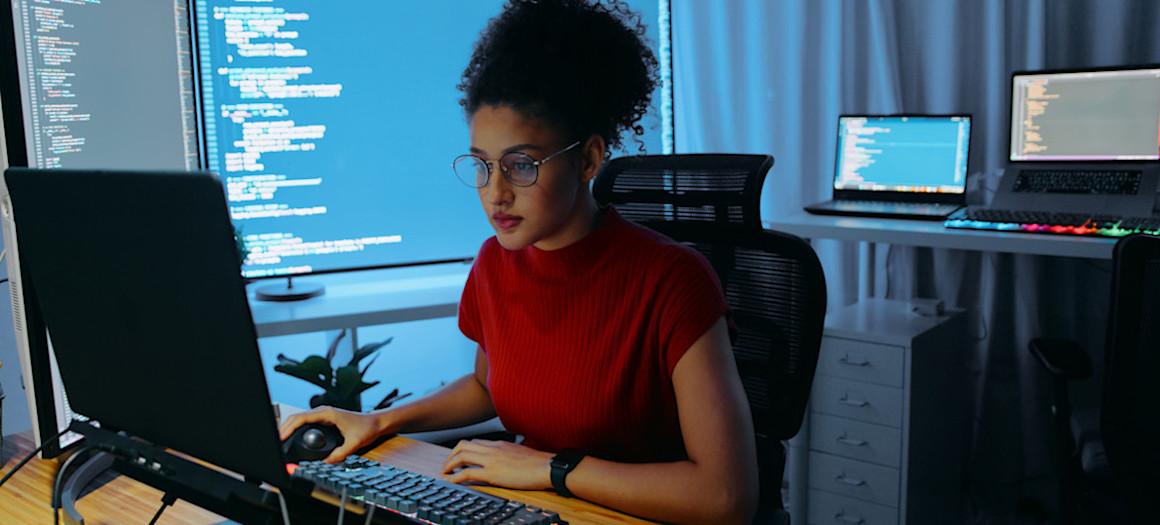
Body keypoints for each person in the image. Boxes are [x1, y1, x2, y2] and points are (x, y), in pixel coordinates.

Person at [279, 1, 758, 522]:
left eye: (521, 165)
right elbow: (490, 386)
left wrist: (551, 469)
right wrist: (380, 421)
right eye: (482, 165)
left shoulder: (674, 282)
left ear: (589, 160)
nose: (495, 193)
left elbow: (725, 498)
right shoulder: (494, 264)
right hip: (533, 509)